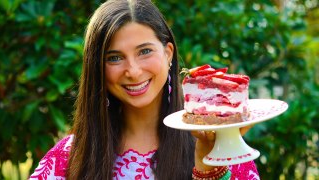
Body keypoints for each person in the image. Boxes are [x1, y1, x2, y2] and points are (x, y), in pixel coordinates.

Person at [29, 0, 260, 179]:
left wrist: (207, 168)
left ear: (168, 53)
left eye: (145, 51)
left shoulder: (224, 146)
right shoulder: (69, 157)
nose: (133, 71)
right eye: (114, 57)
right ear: (97, 68)